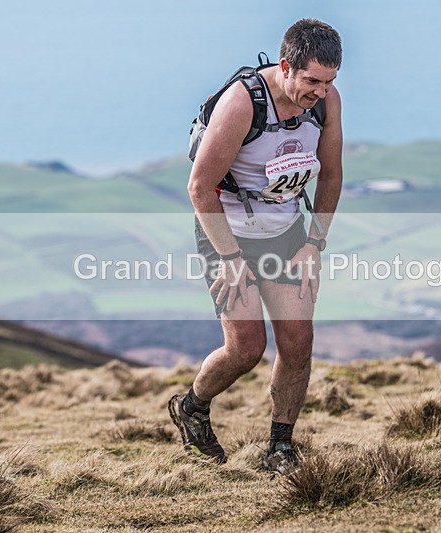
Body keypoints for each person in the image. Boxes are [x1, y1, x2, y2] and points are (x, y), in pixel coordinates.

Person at [168, 18, 343, 474]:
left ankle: (280, 448)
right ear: (286, 67)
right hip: (226, 233)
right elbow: (199, 188)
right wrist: (229, 259)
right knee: (246, 348)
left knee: (298, 341)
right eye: (312, 81)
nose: (321, 92)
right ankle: (192, 407)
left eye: (329, 82)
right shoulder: (243, 103)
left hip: (286, 233)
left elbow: (331, 174)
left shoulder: (327, 102)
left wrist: (314, 243)